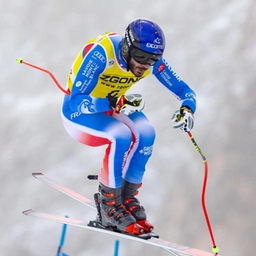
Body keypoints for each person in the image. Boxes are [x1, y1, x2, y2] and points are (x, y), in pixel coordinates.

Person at [61, 18, 196, 235]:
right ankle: (108, 205)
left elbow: (185, 90)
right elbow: (79, 99)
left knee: (147, 132)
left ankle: (127, 198)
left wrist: (187, 108)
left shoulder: (149, 61)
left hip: (112, 105)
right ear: (126, 47)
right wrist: (115, 101)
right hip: (78, 113)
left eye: (152, 60)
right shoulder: (102, 53)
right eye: (141, 57)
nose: (145, 65)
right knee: (121, 135)